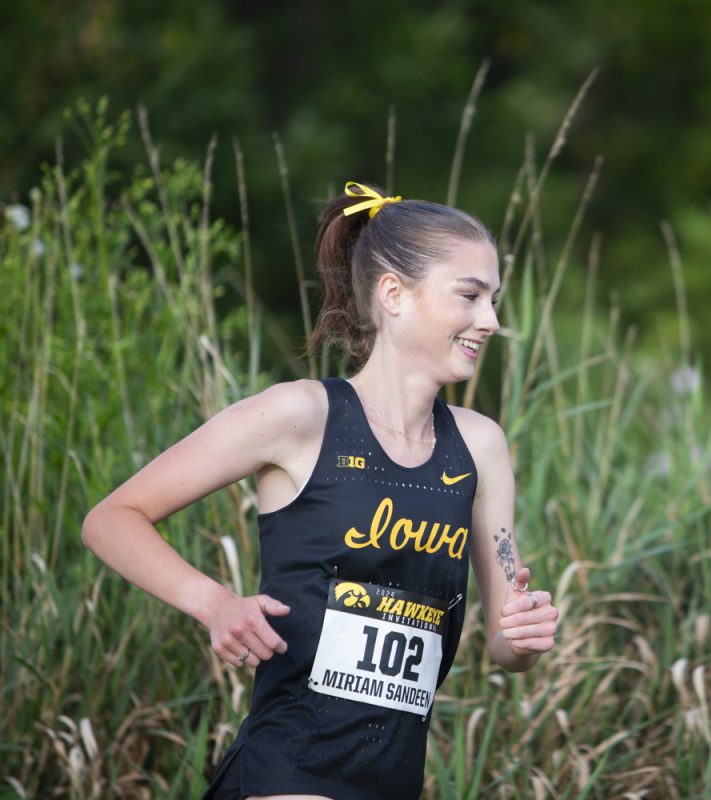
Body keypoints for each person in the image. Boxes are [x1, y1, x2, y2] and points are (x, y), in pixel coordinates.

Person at [82, 181, 560, 799]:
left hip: (394, 781)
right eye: (469, 296)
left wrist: (522, 637)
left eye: (494, 299)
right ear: (394, 294)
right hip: (289, 772)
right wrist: (214, 603)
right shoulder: (300, 415)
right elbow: (113, 517)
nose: (491, 321)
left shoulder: (480, 445)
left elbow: (503, 643)